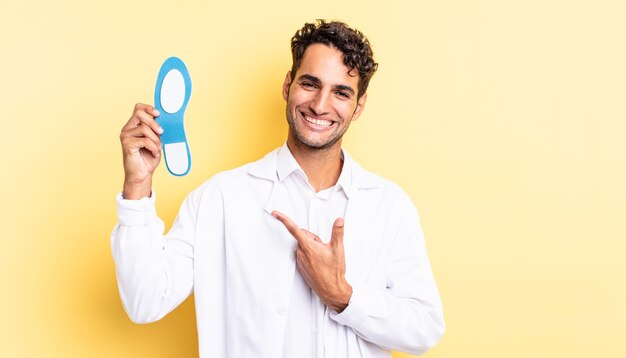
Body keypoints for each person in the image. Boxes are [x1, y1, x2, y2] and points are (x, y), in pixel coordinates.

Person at [112, 20, 445, 358]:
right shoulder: (220, 199)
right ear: (287, 85)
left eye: (341, 92)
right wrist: (137, 185)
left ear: (358, 106)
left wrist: (343, 295)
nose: (320, 104)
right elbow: (145, 301)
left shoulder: (389, 207)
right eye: (310, 83)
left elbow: (424, 329)